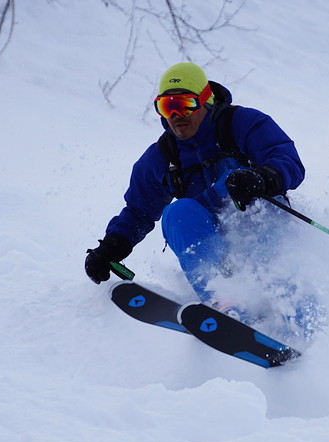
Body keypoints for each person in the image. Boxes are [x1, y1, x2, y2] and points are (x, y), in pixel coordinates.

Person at [85, 62, 305, 312]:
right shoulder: (163, 156)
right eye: (167, 107)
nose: (177, 116)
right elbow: (139, 211)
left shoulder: (242, 123)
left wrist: (261, 177)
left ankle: (307, 327)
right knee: (177, 213)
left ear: (206, 101)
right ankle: (226, 304)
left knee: (264, 239)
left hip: (263, 228)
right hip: (214, 243)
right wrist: (112, 247)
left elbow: (288, 161)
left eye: (185, 105)